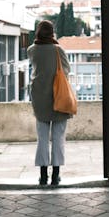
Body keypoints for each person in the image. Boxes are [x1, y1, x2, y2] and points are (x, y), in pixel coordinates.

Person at [27, 19, 72, 186]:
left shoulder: (32, 50)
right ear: (52, 32)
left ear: (38, 32)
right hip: (58, 96)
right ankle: (56, 175)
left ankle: (43, 175)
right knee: (59, 137)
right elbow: (66, 70)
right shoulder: (58, 50)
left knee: (42, 137)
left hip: (39, 98)